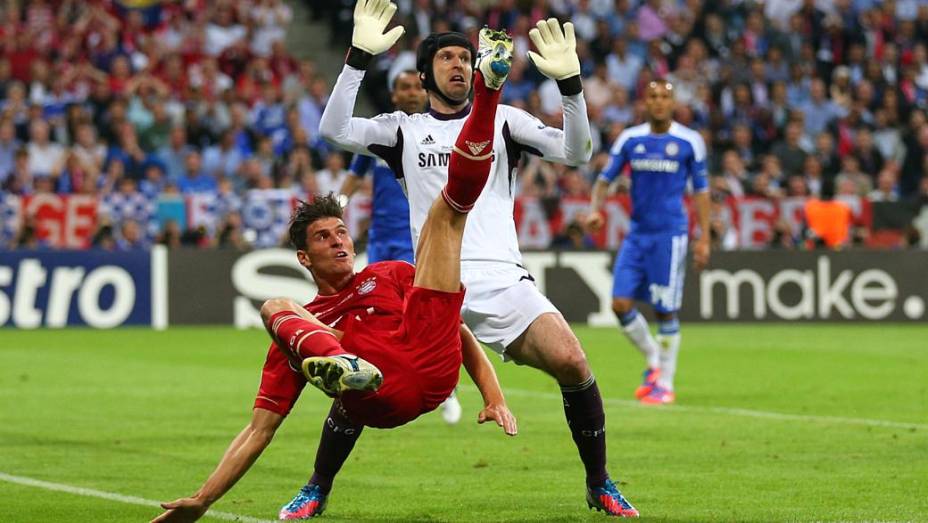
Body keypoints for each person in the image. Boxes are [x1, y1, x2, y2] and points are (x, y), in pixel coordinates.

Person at [151, 40, 517, 522]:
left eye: (342, 232)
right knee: (275, 306)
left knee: (446, 211)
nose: (340, 242)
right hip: (377, 396)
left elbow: (461, 334)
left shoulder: (388, 273)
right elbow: (259, 430)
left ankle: (488, 89)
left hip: (430, 361)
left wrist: (493, 396)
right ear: (305, 257)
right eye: (325, 238)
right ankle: (342, 374)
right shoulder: (302, 326)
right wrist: (203, 499)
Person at [318, 0, 638, 517]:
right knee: (367, 377)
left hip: (500, 278)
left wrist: (571, 85)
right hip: (432, 284)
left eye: (464, 58)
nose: (458, 65)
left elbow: (577, 153)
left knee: (574, 362)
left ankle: (599, 482)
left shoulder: (505, 121)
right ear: (425, 76)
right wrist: (357, 58)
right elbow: (334, 131)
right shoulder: (404, 129)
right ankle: (318, 486)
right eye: (445, 58)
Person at [339, 68, 464, 424]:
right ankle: (381, 384)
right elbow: (352, 177)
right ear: (394, 96)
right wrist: (337, 206)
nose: (410, 93)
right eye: (403, 88)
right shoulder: (382, 138)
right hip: (381, 244)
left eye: (415, 87)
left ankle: (448, 390)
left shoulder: (438, 137)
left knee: (434, 318)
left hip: (422, 242)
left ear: (425, 91)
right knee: (380, 318)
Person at [585, 79, 711, 406]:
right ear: (644, 102)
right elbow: (604, 179)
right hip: (637, 234)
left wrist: (704, 238)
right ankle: (655, 357)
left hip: (671, 235)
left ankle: (664, 384)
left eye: (664, 97)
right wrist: (595, 209)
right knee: (619, 305)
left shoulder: (689, 141)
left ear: (673, 103)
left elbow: (701, 192)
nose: (658, 102)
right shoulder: (630, 139)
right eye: (652, 96)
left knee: (665, 311)